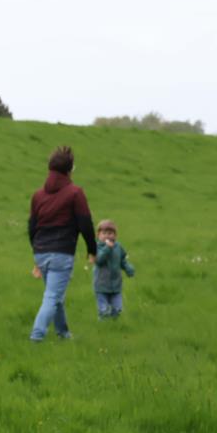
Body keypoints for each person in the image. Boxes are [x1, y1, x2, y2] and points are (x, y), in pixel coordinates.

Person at [27, 145, 97, 341]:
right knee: (52, 297)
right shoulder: (75, 193)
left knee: (55, 295)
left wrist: (37, 252)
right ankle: (37, 335)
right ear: (70, 169)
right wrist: (92, 250)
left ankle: (63, 334)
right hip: (62, 253)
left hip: (40, 252)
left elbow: (32, 227)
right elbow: (85, 224)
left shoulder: (38, 196)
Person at [93, 219, 135, 318]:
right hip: (101, 285)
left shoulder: (118, 246)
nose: (107, 236)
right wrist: (107, 248)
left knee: (117, 309)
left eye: (110, 233)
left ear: (115, 235)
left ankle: (115, 325)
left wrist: (128, 268)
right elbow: (98, 260)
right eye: (104, 233)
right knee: (104, 310)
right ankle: (103, 326)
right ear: (98, 235)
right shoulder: (96, 247)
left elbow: (122, 260)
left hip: (116, 285)